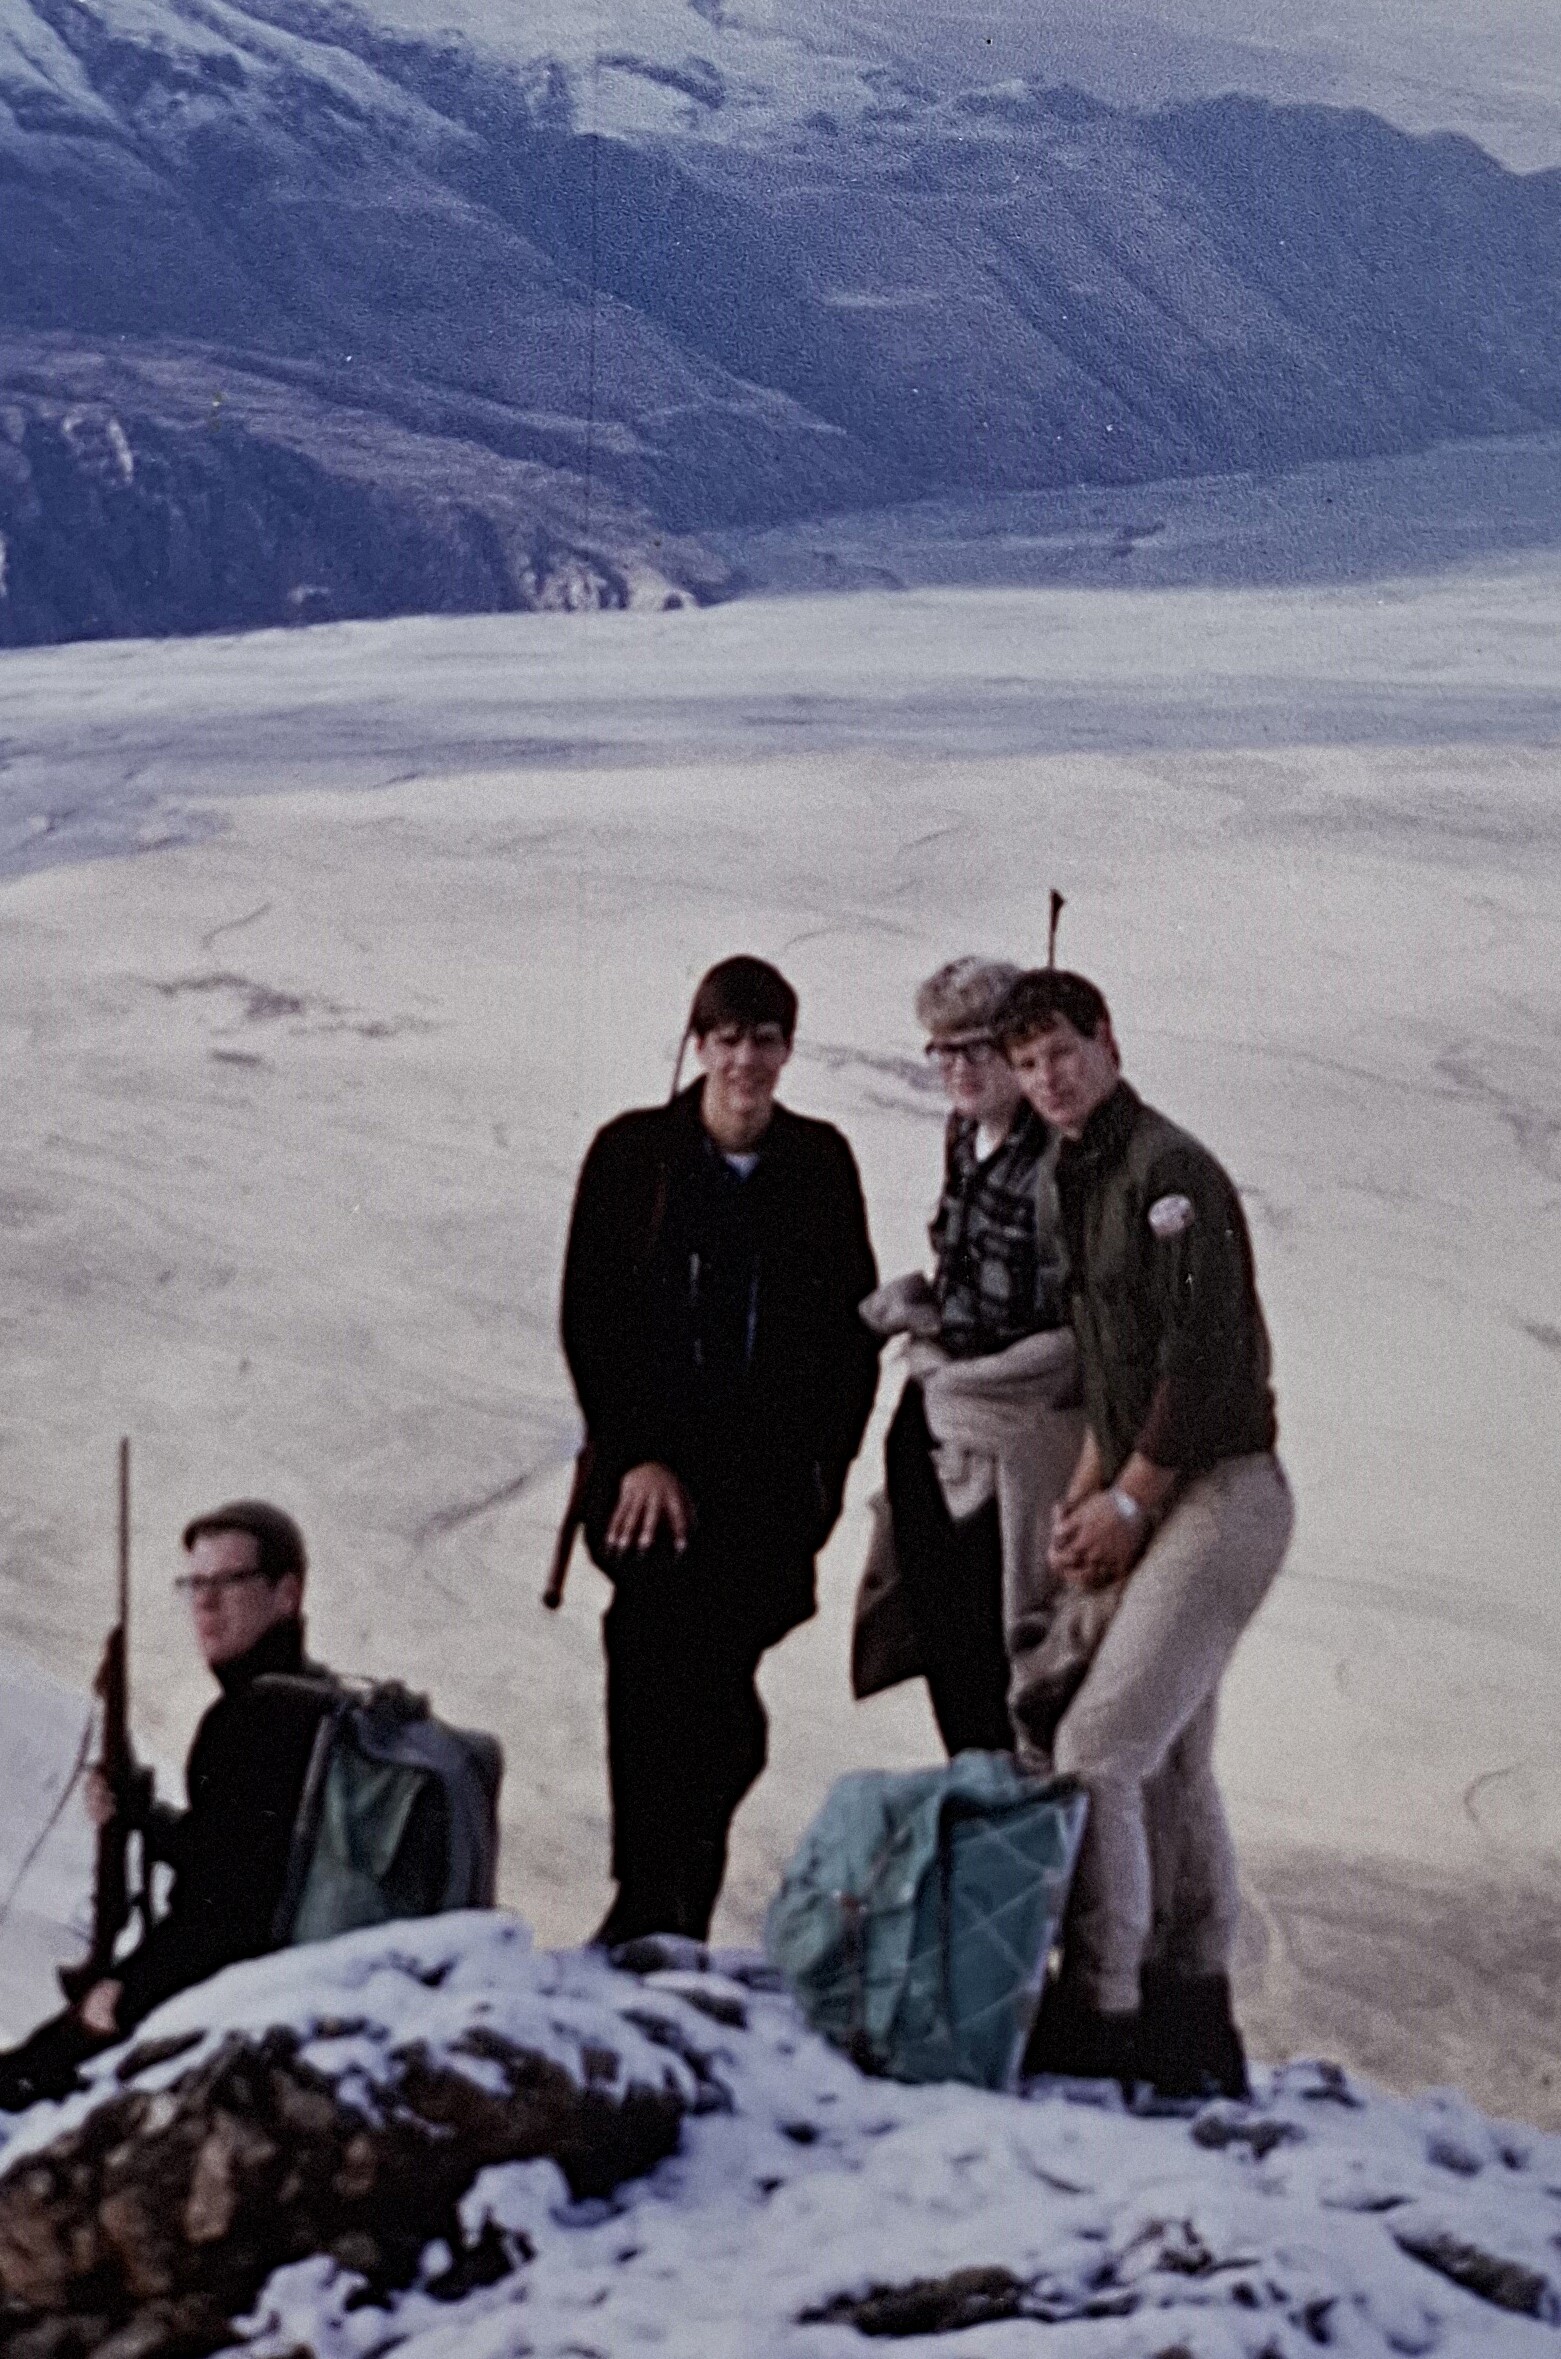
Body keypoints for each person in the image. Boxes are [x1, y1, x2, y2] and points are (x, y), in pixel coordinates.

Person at [994, 967, 1293, 2099]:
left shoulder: (1165, 1172)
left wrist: (1132, 1498)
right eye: (1027, 1064)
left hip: (1219, 1492)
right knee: (1165, 1760)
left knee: (1098, 1749)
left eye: (1061, 1050)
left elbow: (1199, 1358)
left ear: (1106, 1041)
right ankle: (1191, 2012)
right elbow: (1109, 1364)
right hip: (1156, 1485)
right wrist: (1088, 1488)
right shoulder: (1079, 1173)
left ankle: (1104, 2006)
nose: (1048, 1077)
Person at [561, 955, 880, 1949]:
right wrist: (639, 1455)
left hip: (764, 1498)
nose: (746, 1060)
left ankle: (665, 1897)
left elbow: (849, 1338)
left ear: (788, 1049)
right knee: (654, 1670)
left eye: (765, 1039)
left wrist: (818, 1485)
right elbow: (592, 1318)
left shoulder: (819, 1163)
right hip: (649, 1492)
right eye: (727, 1039)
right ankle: (655, 1900)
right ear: (697, 1045)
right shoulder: (634, 1156)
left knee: (714, 1703)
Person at [0, 1501, 333, 2111]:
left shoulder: (247, 1718)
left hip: (236, 1998)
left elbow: (219, 1918)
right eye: (195, 1583)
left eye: (229, 1582)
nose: (205, 1604)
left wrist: (122, 1995)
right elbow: (240, 1856)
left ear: (287, 1594)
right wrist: (142, 1816)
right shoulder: (321, 1701)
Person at [856, 958, 1076, 1756]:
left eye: (975, 1048)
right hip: (943, 1391)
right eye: (940, 1051)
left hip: (1013, 1421)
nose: (956, 1068)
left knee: (993, 1629)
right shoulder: (963, 1133)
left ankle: (1000, 1789)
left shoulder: (1059, 1158)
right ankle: (969, 1772)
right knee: (938, 1620)